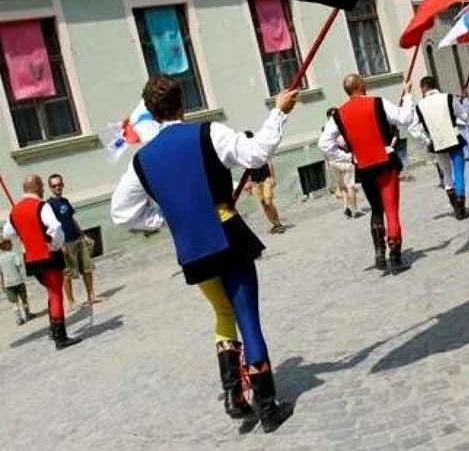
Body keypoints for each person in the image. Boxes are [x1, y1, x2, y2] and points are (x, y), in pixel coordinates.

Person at [111, 75, 298, 433]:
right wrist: (278, 112)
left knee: (222, 313)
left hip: (191, 247)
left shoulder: (142, 159)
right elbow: (256, 153)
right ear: (183, 103)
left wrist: (165, 217)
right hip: (225, 233)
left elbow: (121, 213)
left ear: (150, 113)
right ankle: (268, 406)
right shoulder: (207, 133)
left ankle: (235, 395)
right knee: (247, 318)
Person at [318, 74, 414, 274]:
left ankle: (379, 252)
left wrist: (349, 156)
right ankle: (395, 256)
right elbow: (405, 118)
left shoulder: (339, 114)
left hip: (364, 166)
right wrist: (408, 96)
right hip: (385, 162)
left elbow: (324, 143)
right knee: (391, 209)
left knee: (376, 209)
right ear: (360, 85)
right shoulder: (377, 102)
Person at [2, 175, 81, 349]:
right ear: (36, 187)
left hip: (30, 259)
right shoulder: (41, 206)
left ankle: (54, 328)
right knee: (56, 294)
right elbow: (56, 228)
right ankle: (60, 337)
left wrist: (23, 230)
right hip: (47, 256)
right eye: (41, 186)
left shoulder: (14, 211)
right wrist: (55, 245)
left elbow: (7, 234)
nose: (43, 189)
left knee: (51, 292)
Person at [408, 76, 469, 219]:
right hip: (453, 137)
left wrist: (427, 139)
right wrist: (466, 102)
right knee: (458, 171)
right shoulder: (449, 98)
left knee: (446, 173)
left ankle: (455, 206)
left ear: (423, 88)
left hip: (437, 142)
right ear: (435, 85)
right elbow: (465, 116)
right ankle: (461, 205)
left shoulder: (420, 105)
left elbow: (413, 128)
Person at [46, 173, 100, 308]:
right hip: (65, 243)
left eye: (59, 185)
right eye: (54, 186)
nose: (57, 187)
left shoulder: (65, 201)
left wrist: (83, 236)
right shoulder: (49, 205)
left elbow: (72, 219)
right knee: (67, 274)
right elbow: (50, 227)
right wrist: (60, 244)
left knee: (87, 268)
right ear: (50, 187)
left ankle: (91, 295)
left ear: (63, 185)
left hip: (77, 239)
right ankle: (71, 302)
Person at [242, 131, 284, 234]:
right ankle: (274, 225)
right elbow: (246, 170)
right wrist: (247, 184)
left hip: (266, 179)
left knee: (268, 201)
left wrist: (273, 177)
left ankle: (278, 224)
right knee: (263, 204)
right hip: (255, 183)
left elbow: (269, 162)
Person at [323, 108, 361, 219]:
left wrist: (328, 163)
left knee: (342, 187)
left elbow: (324, 149)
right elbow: (346, 145)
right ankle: (355, 210)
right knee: (350, 186)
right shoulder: (341, 128)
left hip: (333, 162)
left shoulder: (326, 130)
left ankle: (346, 207)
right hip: (345, 161)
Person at [0, 236, 33, 325]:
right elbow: (19, 265)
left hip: (8, 284)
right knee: (24, 298)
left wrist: (2, 284)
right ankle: (27, 314)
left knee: (14, 302)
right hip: (18, 280)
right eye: (10, 243)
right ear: (8, 245)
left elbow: (1, 273)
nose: (12, 244)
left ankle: (18, 319)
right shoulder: (14, 254)